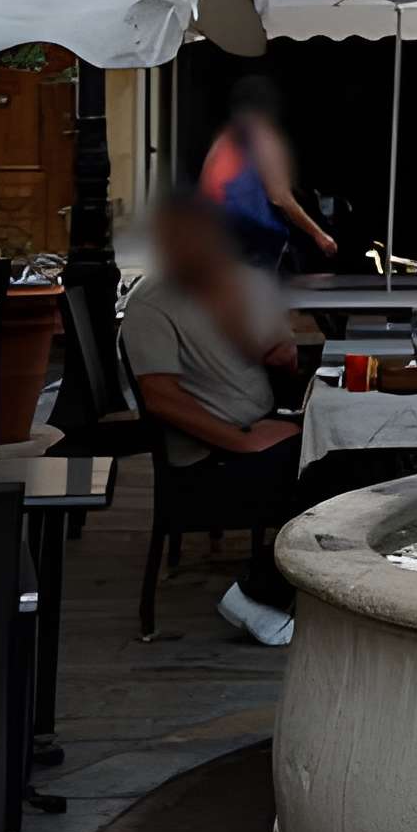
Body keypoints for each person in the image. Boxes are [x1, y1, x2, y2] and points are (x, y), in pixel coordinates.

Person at [121, 193, 310, 645]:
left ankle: (312, 590)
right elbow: (160, 397)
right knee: (333, 473)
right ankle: (259, 595)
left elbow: (282, 357)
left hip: (260, 423)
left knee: (358, 454)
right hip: (213, 458)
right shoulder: (153, 302)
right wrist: (241, 439)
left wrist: (278, 353)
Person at [198, 78, 335, 271]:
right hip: (253, 237)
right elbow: (280, 198)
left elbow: (206, 187)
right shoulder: (263, 138)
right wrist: (318, 235)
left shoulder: (224, 139)